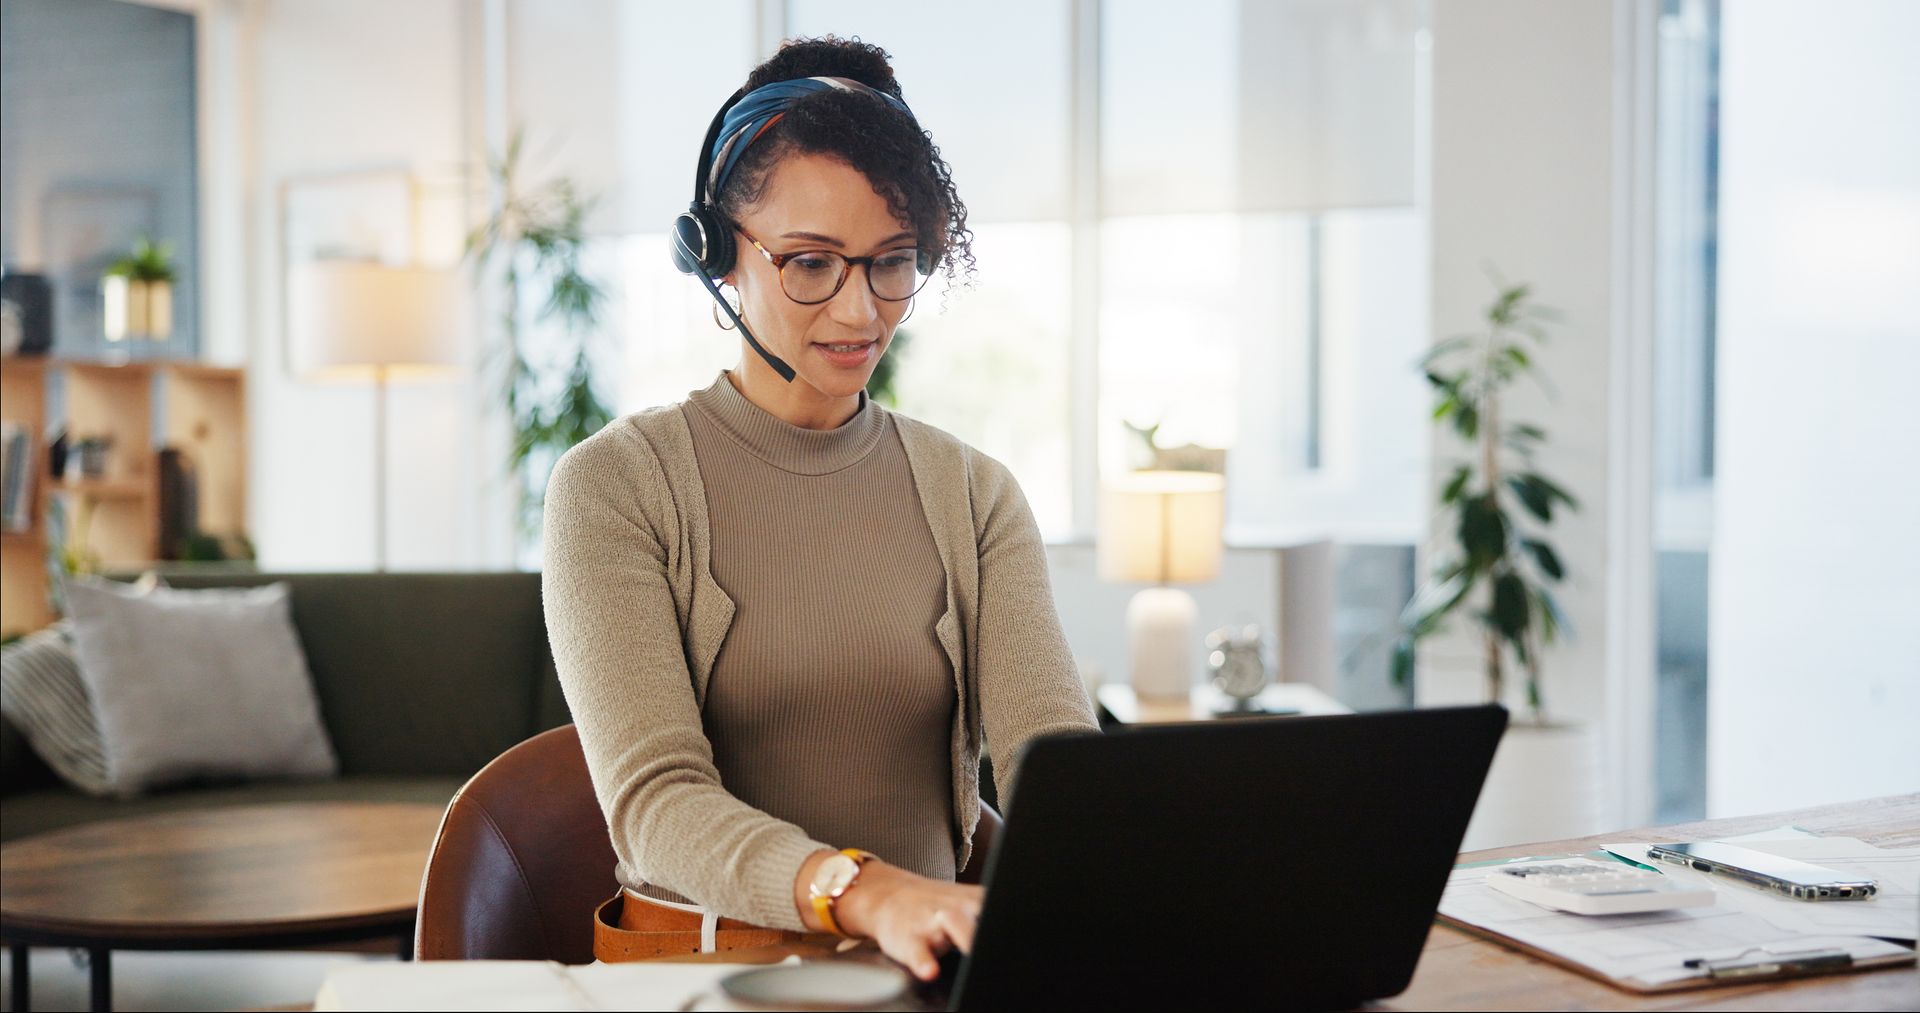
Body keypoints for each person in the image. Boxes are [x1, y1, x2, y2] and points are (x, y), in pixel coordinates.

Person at [541, 36, 1097, 982]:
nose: (859, 313)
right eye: (809, 263)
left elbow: (1056, 764)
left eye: (892, 262)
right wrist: (867, 891)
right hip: (704, 978)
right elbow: (656, 802)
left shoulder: (975, 493)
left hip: (921, 979)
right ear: (715, 255)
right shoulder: (617, 485)